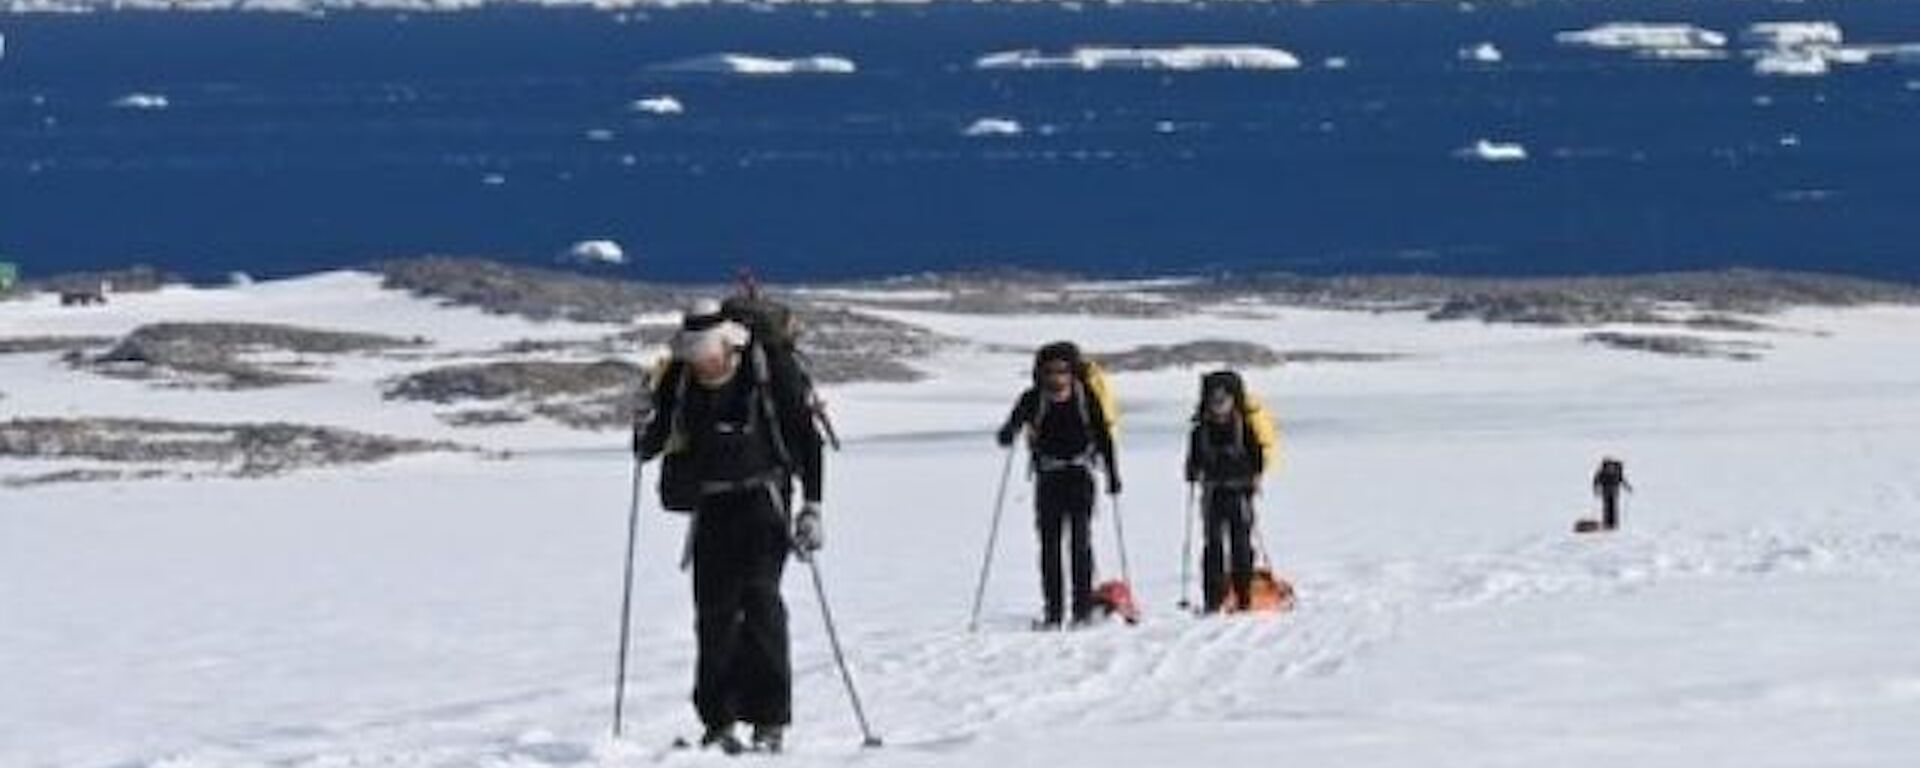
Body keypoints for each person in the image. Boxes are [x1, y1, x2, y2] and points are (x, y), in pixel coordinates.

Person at [634, 302, 826, 754]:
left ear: (728, 342)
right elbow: (649, 447)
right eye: (695, 355)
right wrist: (643, 419)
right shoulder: (678, 380)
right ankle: (718, 719)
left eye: (708, 353)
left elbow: (805, 438)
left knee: (762, 604)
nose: (704, 362)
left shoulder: (767, 370)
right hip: (711, 507)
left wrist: (813, 506)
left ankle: (769, 719)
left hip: (766, 501)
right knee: (714, 615)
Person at [995, 341, 1121, 629]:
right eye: (1050, 371)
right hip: (1049, 478)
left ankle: (1080, 610)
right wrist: (1007, 433)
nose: (1056, 377)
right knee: (1050, 546)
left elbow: (1103, 436)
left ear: (1072, 371)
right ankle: (1055, 612)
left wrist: (1113, 473)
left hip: (1078, 476)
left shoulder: (1085, 396)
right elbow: (1012, 425)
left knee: (1080, 543)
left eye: (1062, 371)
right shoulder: (1032, 399)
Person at [1185, 372, 1265, 613]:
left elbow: (1257, 457)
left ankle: (1243, 597)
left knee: (1241, 546)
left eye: (1223, 399)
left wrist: (1252, 480)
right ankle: (1213, 599)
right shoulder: (1199, 432)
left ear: (1232, 400)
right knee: (1214, 546)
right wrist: (1192, 471)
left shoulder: (1244, 427)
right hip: (1213, 494)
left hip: (1239, 493)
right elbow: (1193, 461)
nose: (1219, 405)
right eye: (1214, 399)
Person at [1592, 457, 1633, 531]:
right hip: (1607, 492)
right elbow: (1596, 481)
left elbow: (1622, 480)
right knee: (1607, 508)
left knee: (1613, 509)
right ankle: (1607, 524)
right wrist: (1596, 490)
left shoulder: (1617, 472)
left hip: (1613, 492)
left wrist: (1627, 487)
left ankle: (1613, 524)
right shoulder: (1603, 472)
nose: (1610, 468)